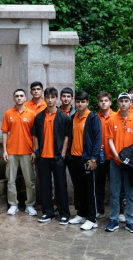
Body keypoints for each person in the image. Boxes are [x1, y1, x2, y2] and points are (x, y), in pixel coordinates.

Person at [31, 88, 72, 224]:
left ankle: (64, 213)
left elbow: (67, 137)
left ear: (56, 99)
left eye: (52, 97)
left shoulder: (63, 117)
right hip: (43, 157)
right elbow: (35, 136)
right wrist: (37, 152)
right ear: (44, 98)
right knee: (45, 186)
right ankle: (48, 213)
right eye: (47, 97)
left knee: (61, 185)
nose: (49, 100)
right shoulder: (39, 117)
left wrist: (63, 153)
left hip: (58, 157)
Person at [105, 92, 133, 234]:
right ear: (117, 103)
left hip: (130, 163)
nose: (123, 103)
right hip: (115, 161)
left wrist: (128, 155)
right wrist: (117, 156)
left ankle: (130, 221)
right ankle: (114, 219)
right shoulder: (111, 120)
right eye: (121, 101)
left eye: (126, 101)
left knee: (131, 192)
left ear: (130, 103)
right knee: (114, 192)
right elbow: (110, 140)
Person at [67, 91, 103, 230]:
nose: (80, 104)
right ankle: (81, 214)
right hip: (75, 158)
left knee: (90, 190)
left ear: (87, 102)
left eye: (83, 101)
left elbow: (97, 139)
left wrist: (93, 158)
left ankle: (92, 218)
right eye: (78, 101)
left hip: (88, 159)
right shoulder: (73, 117)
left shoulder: (93, 117)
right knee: (79, 188)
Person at [1, 89, 38, 216]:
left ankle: (30, 205)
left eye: (21, 96)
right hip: (11, 152)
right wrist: (5, 150)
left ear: (25, 98)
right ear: (13, 98)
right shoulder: (8, 113)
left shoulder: (32, 114)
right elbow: (4, 132)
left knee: (29, 181)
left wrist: (34, 151)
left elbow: (35, 135)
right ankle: (13, 204)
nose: (19, 98)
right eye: (16, 96)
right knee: (11, 181)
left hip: (27, 151)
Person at [94, 92, 115, 219]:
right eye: (101, 101)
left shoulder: (116, 117)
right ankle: (100, 210)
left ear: (110, 102)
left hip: (114, 158)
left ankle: (116, 212)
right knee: (99, 186)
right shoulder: (95, 118)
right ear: (98, 103)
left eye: (106, 100)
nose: (103, 103)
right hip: (99, 158)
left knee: (115, 187)